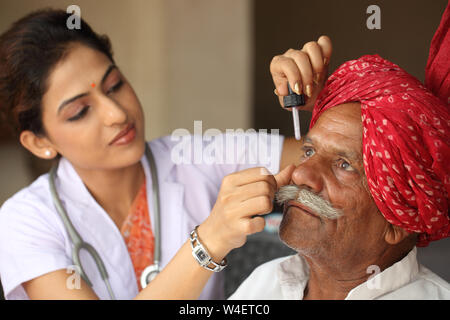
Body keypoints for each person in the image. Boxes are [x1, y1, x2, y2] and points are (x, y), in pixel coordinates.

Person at [0, 8, 332, 300]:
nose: (116, 113)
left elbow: (323, 161)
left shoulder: (194, 156)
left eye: (114, 85)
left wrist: (319, 105)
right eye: (79, 112)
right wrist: (208, 240)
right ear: (39, 142)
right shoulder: (25, 222)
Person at [229, 4, 450, 300]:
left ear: (397, 223)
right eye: (308, 150)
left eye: (344, 165)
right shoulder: (266, 282)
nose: (301, 173)